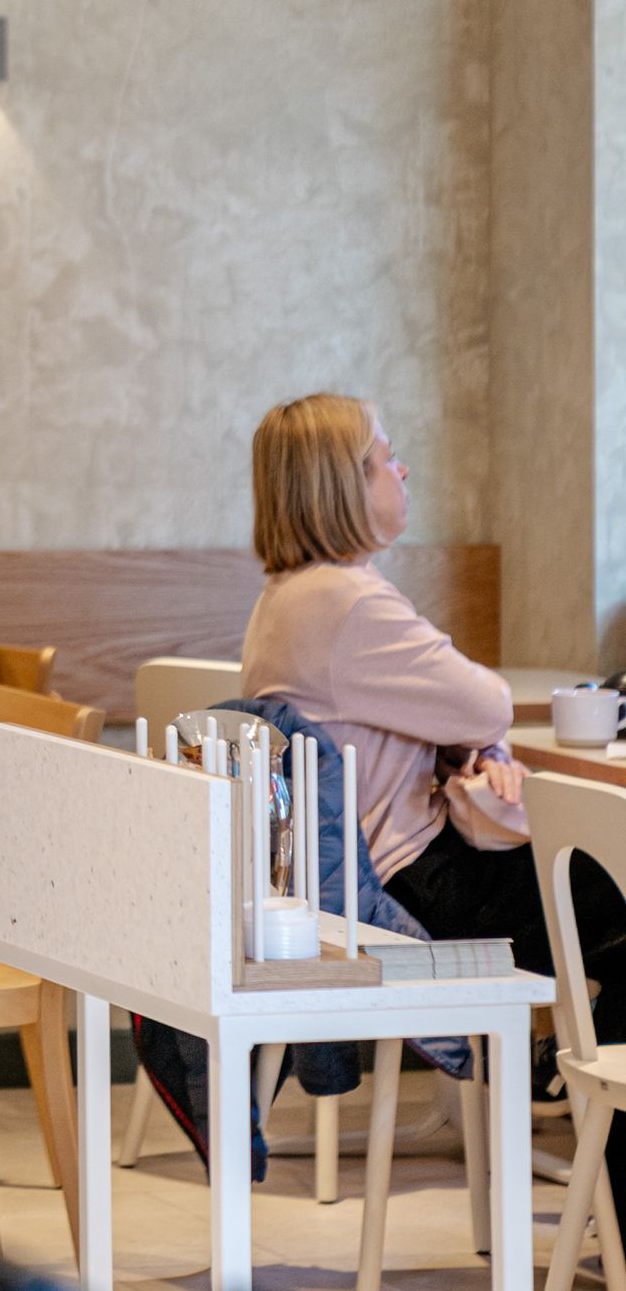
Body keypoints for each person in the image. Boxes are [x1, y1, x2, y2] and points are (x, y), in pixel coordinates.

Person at [241, 391, 626, 1204]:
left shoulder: (288, 597)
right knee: (617, 897)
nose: (404, 469)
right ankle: (594, 1138)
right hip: (414, 881)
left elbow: (442, 713)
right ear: (342, 486)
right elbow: (487, 701)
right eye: (385, 457)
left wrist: (462, 740)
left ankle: (567, 1089)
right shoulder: (349, 601)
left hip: (370, 874)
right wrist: (473, 737)